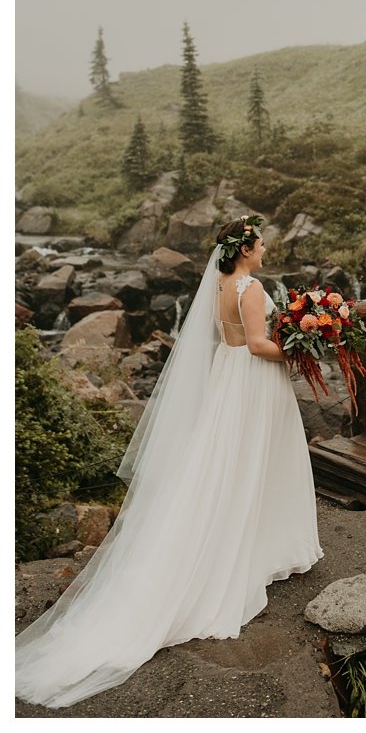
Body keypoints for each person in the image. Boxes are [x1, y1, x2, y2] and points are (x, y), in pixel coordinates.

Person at [16, 216, 323, 707]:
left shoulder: (222, 281)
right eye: (261, 243)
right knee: (254, 463)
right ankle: (257, 546)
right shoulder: (249, 285)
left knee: (228, 466)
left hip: (229, 376)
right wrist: (302, 350)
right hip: (251, 381)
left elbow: (229, 342)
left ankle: (254, 540)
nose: (266, 248)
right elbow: (258, 343)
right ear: (245, 249)